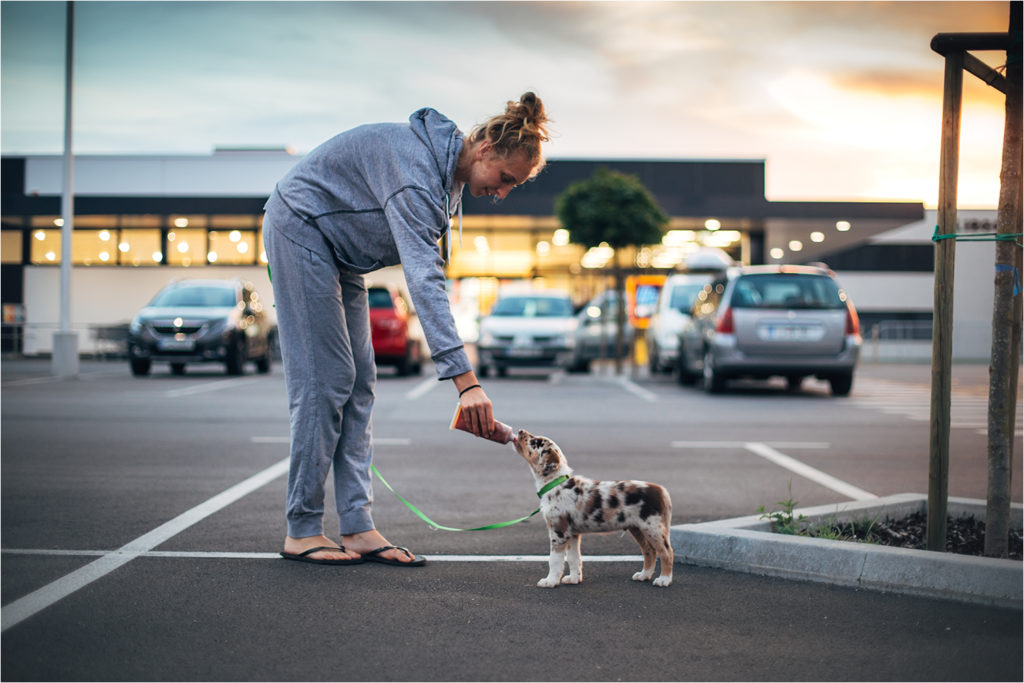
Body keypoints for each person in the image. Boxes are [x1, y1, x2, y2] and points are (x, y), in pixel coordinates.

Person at [263, 92, 551, 566]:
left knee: (359, 384)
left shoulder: (447, 180)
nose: (501, 194)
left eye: (512, 188)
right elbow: (424, 280)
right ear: (483, 148)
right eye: (504, 179)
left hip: (341, 255)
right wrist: (467, 384)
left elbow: (430, 268)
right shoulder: (417, 176)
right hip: (299, 227)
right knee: (325, 382)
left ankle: (356, 526)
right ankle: (302, 528)